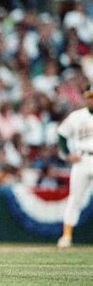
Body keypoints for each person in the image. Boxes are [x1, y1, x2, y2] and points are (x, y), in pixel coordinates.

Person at [57, 85, 93, 248]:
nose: (91, 99)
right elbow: (62, 134)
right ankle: (67, 236)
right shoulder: (76, 116)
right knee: (74, 199)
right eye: (89, 96)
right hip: (82, 159)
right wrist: (67, 154)